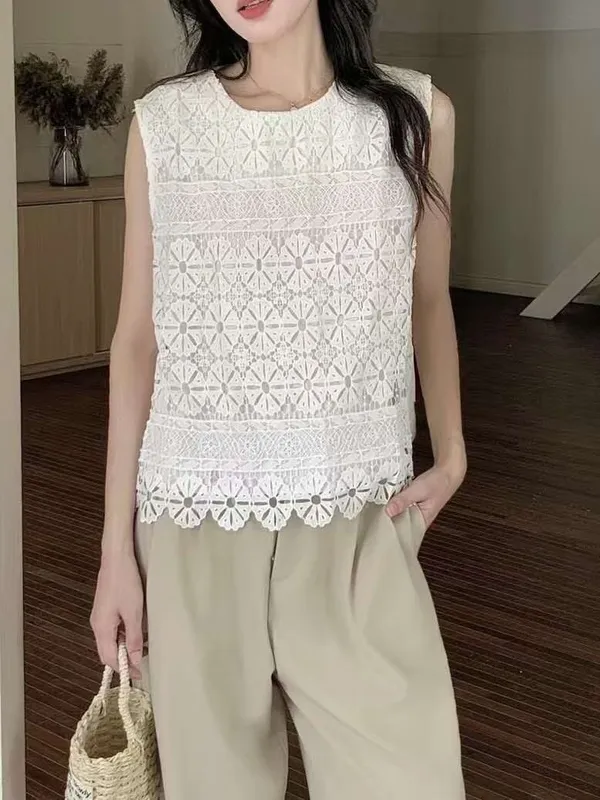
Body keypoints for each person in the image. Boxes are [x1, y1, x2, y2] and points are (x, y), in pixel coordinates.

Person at [91, 0, 467, 797]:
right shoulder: (165, 126)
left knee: (410, 777)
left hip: (359, 523)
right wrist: (114, 553)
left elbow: (428, 299)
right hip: (190, 529)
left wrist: (454, 452)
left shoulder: (417, 117)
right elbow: (136, 340)